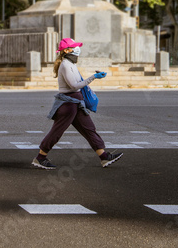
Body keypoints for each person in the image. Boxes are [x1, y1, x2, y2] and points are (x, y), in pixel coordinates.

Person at [32, 37, 124, 170]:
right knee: (56, 132)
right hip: (68, 104)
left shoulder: (70, 64)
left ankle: (104, 157)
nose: (77, 49)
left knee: (89, 129)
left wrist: (93, 77)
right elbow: (74, 86)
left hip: (76, 103)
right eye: (74, 47)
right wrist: (93, 77)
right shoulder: (65, 65)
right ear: (67, 50)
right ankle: (40, 158)